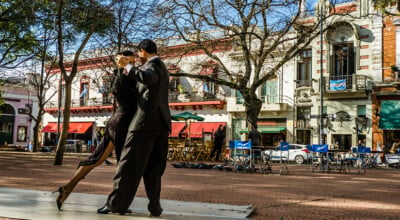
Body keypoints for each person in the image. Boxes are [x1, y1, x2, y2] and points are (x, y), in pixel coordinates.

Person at [97, 39, 171, 217]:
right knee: (154, 169)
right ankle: (155, 207)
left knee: (127, 166)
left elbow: (148, 78)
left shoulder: (151, 66)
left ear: (142, 51)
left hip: (143, 124)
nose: (137, 57)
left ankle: (115, 205)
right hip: (161, 124)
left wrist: (127, 67)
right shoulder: (163, 67)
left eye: (138, 54)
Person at [55, 51, 137, 211]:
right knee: (123, 165)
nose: (132, 64)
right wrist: (122, 70)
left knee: (97, 159)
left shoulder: (130, 76)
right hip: (122, 123)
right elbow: (122, 93)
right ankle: (117, 203)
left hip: (118, 121)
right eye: (129, 61)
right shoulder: (119, 77)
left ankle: (67, 188)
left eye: (133, 61)